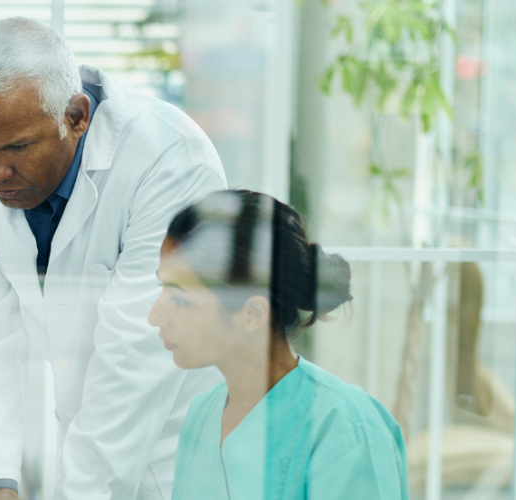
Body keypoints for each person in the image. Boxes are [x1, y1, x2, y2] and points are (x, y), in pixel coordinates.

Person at [0, 17, 228, 500]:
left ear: (76, 116)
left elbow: (134, 358)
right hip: (80, 453)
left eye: (17, 148)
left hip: (179, 457)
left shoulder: (170, 162)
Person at [148, 190, 408, 500]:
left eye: (179, 297)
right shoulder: (201, 417)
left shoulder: (346, 428)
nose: (155, 316)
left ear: (252, 314)